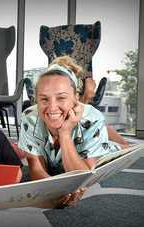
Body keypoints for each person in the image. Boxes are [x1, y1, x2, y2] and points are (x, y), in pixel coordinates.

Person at [18, 56, 122, 207]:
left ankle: (109, 135)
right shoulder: (30, 117)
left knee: (124, 147)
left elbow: (83, 178)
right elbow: (36, 169)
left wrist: (65, 134)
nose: (52, 107)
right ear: (36, 100)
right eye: (44, 99)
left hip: (101, 148)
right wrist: (52, 192)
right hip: (69, 145)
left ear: (76, 98)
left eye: (61, 98)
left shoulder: (93, 118)